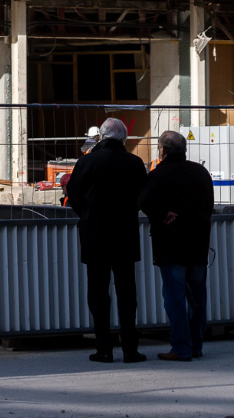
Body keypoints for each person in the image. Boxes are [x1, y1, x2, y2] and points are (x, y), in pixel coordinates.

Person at [66, 117, 148, 364]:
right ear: (124, 138)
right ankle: (130, 349)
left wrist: (88, 215)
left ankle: (103, 348)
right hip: (125, 236)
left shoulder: (86, 162)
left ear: (101, 137)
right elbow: (141, 196)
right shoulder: (134, 163)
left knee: (98, 292)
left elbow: (74, 195)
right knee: (127, 293)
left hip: (95, 236)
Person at [139, 130, 214, 363]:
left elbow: (143, 201)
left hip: (171, 244)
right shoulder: (200, 172)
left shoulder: (158, 174)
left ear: (162, 150)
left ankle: (181, 347)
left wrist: (163, 214)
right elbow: (209, 204)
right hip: (199, 242)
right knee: (197, 297)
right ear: (184, 150)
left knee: (174, 296)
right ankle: (195, 345)